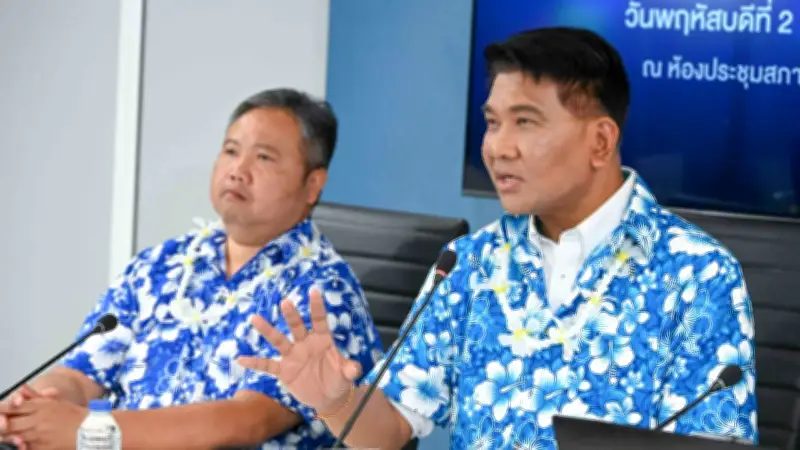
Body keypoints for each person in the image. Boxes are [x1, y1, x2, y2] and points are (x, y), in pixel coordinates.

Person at [237, 27, 759, 449]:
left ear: (601, 141)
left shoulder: (697, 274)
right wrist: (336, 401)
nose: (497, 148)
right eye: (492, 123)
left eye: (525, 122)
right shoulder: (468, 263)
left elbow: (712, 441)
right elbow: (390, 428)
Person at [0, 88, 383, 449]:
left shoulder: (322, 290)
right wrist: (30, 408)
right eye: (231, 151)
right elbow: (81, 375)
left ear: (313, 184)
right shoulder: (160, 264)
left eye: (264, 158)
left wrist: (92, 432)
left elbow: (249, 420)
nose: (238, 170)